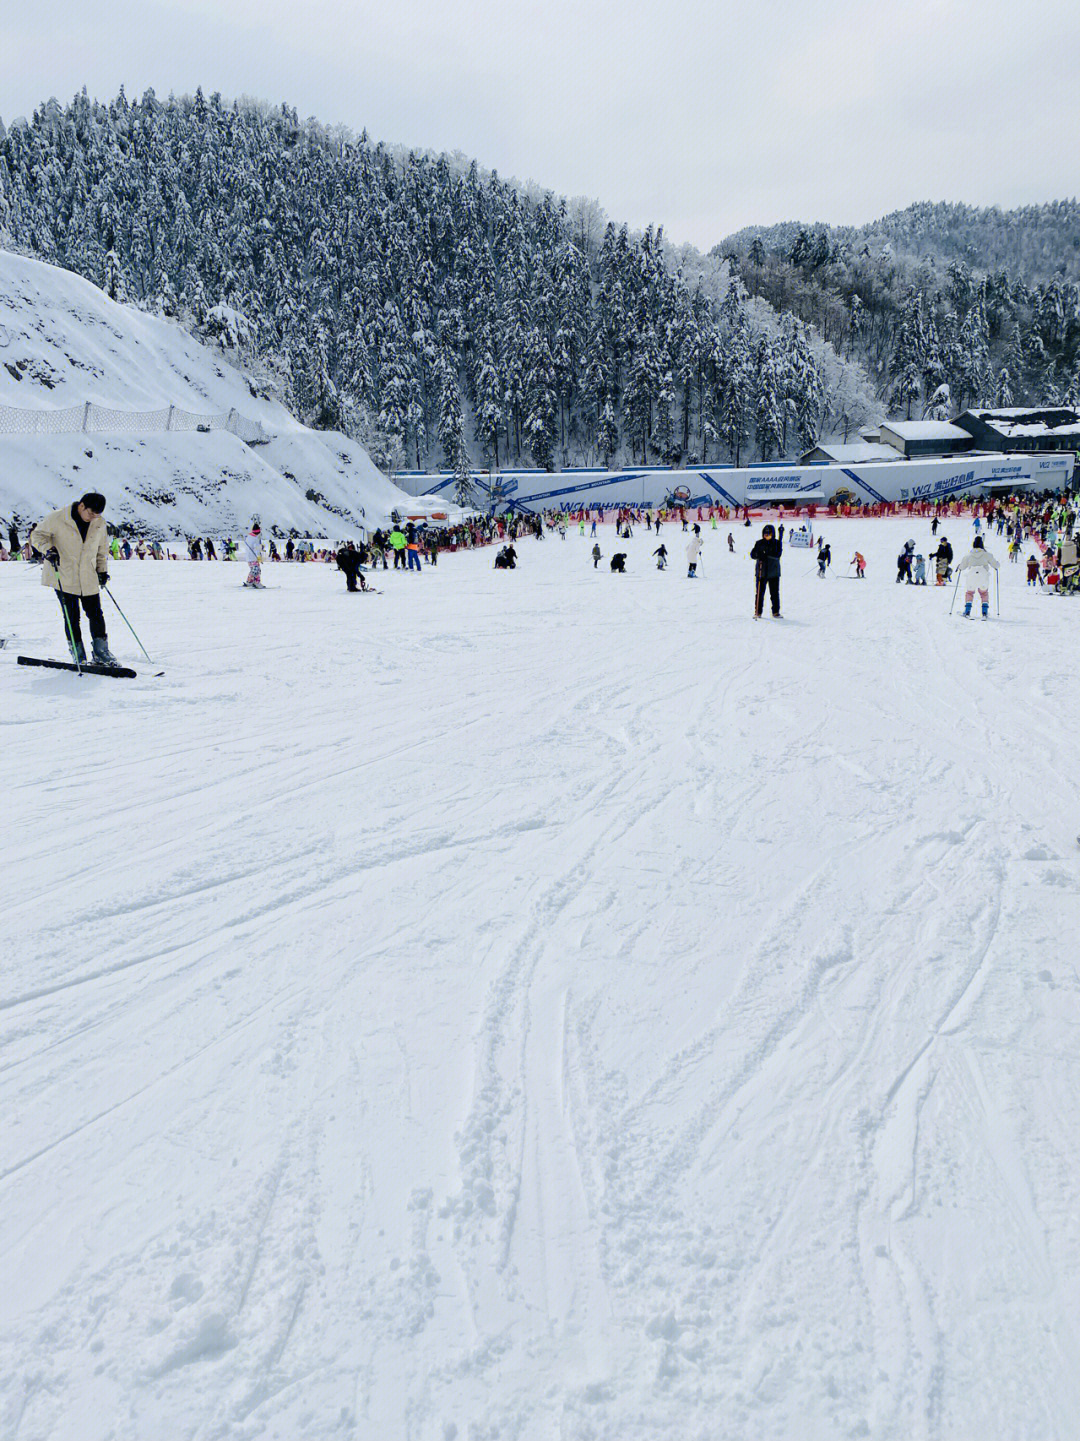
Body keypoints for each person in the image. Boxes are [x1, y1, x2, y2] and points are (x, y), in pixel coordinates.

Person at [29, 491, 119, 664]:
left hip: (88, 576)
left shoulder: (99, 523)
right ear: (82, 506)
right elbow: (37, 535)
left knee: (96, 614)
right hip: (64, 575)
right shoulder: (58, 518)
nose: (93, 518)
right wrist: (48, 549)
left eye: (97, 515)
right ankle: (78, 653)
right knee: (72, 617)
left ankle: (102, 652)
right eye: (91, 513)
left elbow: (101, 549)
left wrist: (102, 571)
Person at [957, 535, 999, 618]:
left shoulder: (968, 556)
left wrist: (959, 567)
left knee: (969, 593)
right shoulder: (987, 555)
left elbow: (962, 567)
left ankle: (967, 611)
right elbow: (996, 565)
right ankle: (984, 612)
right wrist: (996, 565)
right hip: (983, 577)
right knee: (984, 593)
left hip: (971, 577)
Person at [750, 523, 783, 618]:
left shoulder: (777, 543)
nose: (767, 535)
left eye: (769, 533)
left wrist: (766, 554)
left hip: (773, 572)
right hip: (761, 572)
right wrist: (758, 555)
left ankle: (776, 611)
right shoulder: (759, 543)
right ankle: (758, 611)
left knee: (774, 593)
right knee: (760, 593)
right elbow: (752, 554)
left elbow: (777, 554)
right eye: (765, 533)